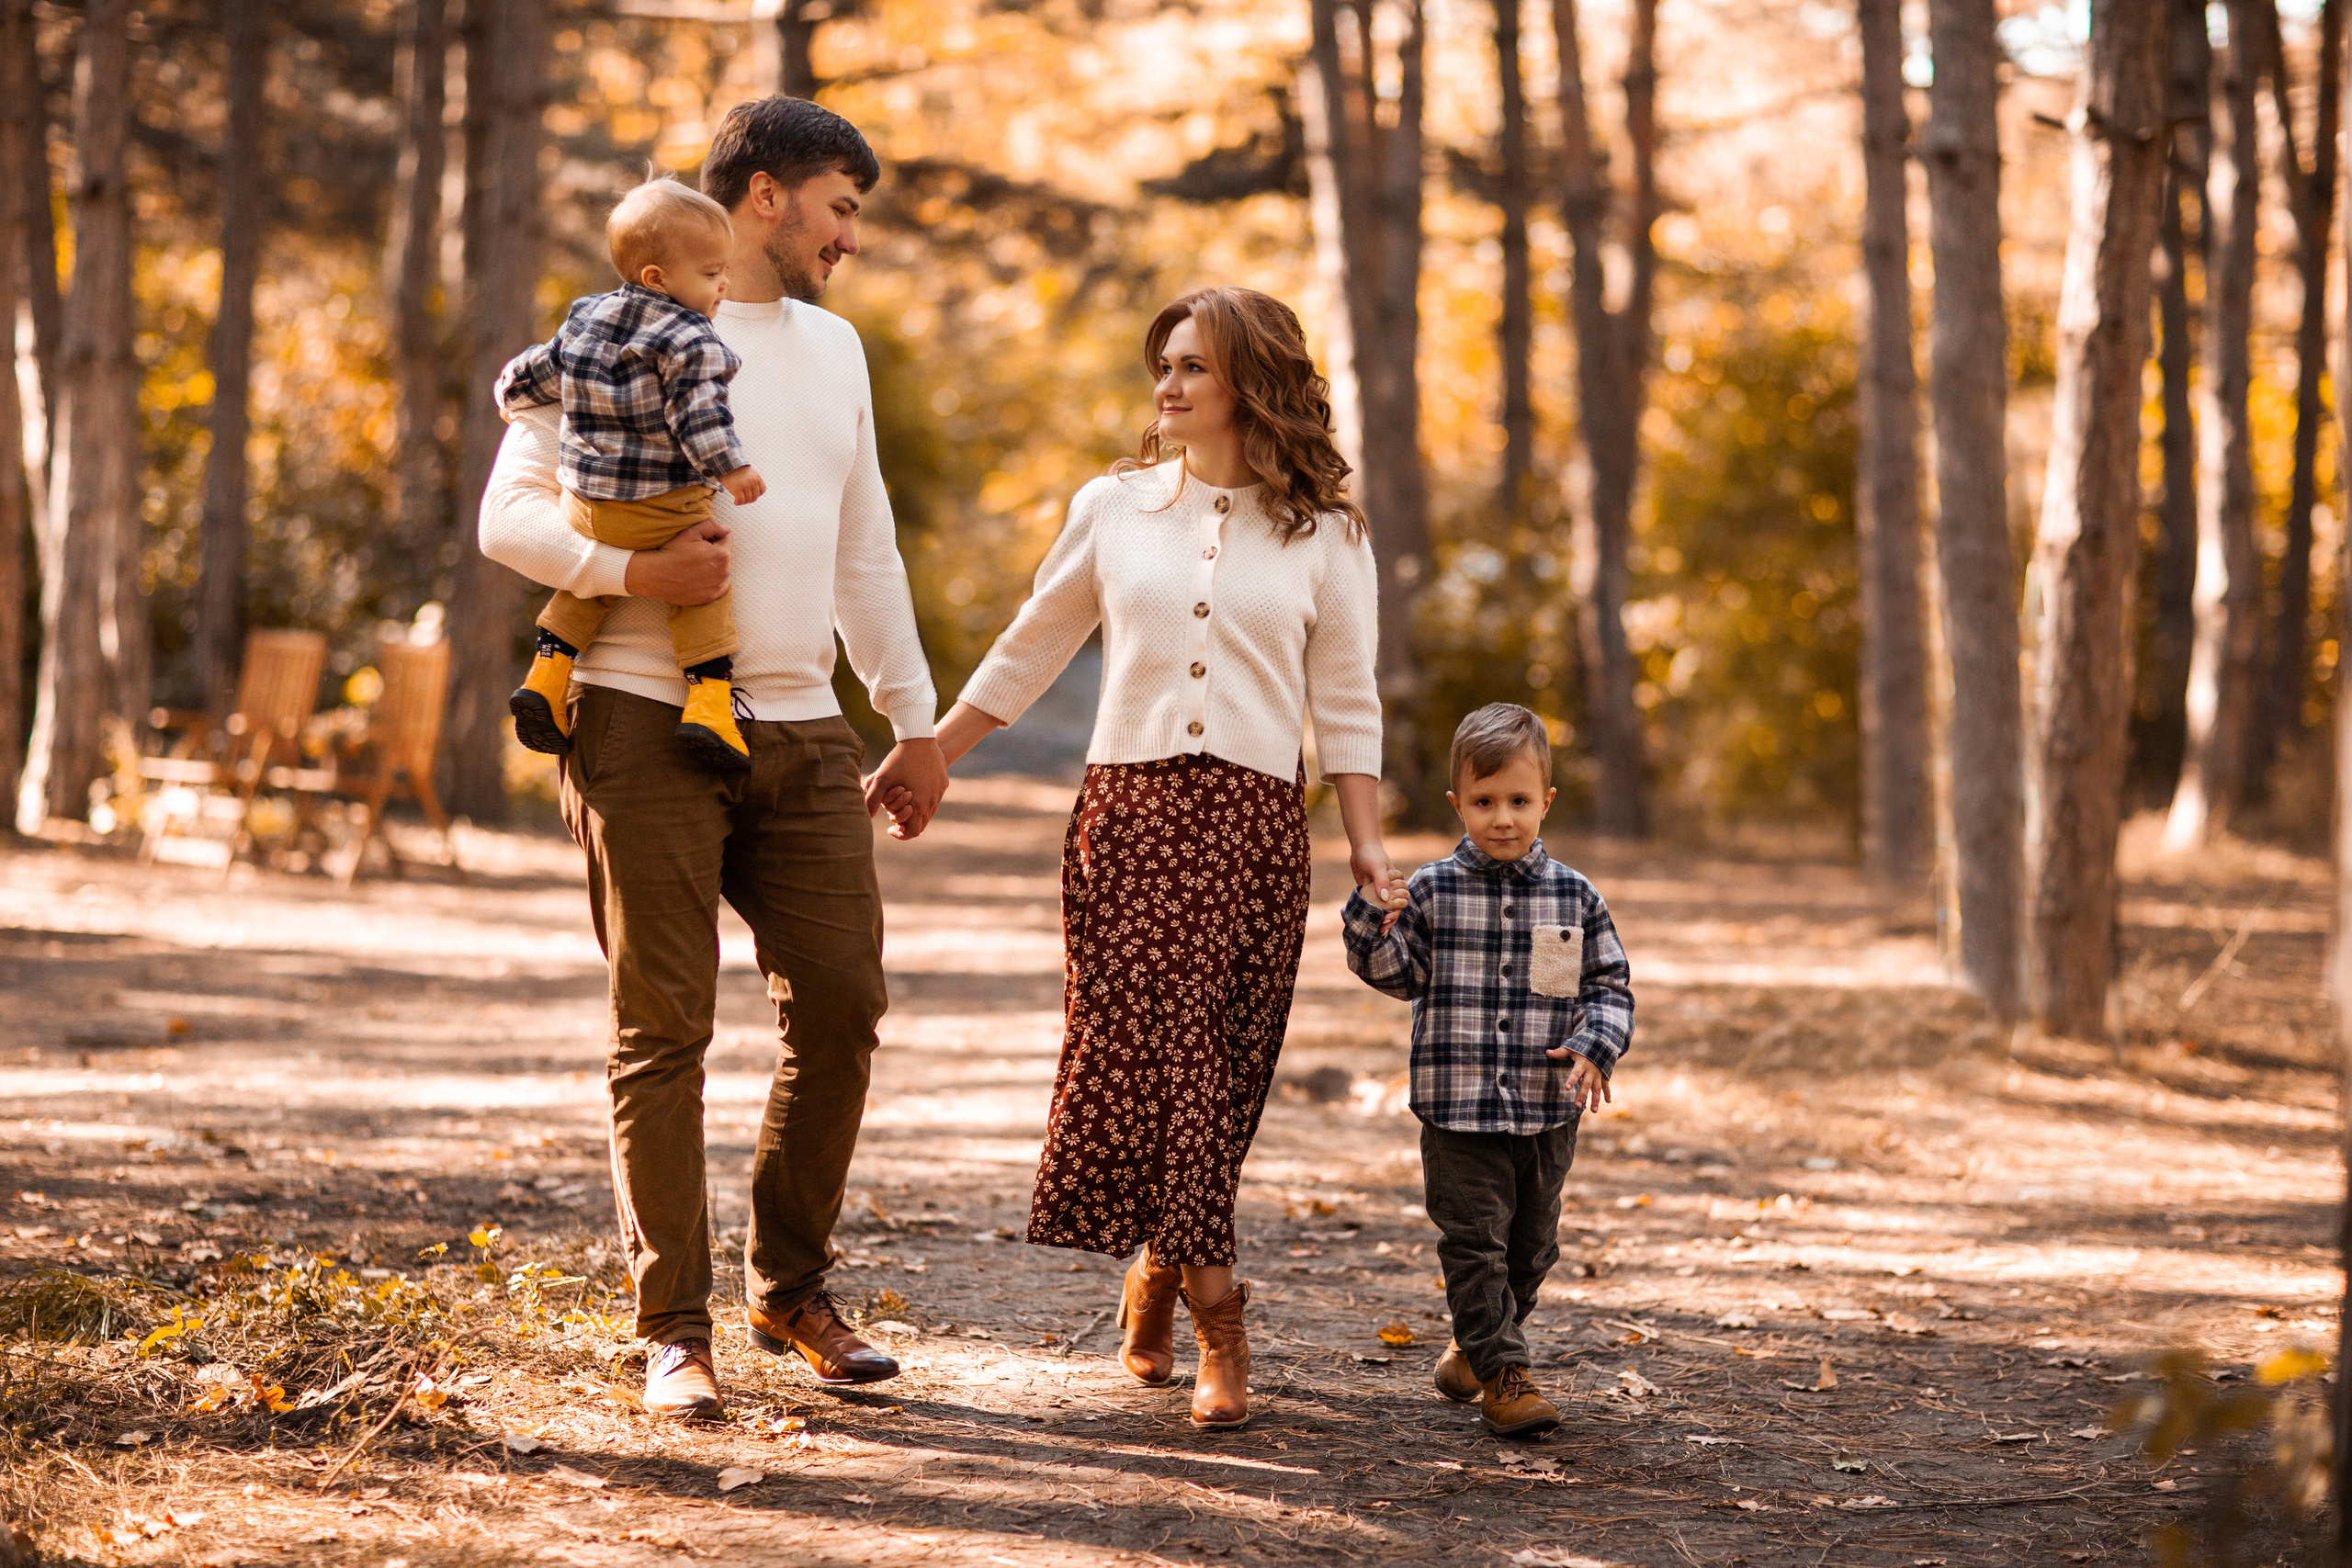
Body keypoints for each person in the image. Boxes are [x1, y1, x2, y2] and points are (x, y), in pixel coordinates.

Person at [476, 96, 948, 1420]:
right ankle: (673, 1329)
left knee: (844, 1004)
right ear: (764, 200)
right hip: (640, 718)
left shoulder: (837, 353)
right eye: (841, 208)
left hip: (803, 731)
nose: (851, 237)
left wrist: (911, 720)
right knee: (664, 1028)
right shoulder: (606, 330)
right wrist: (626, 567)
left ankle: (790, 1287)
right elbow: (505, 517)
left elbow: (868, 548)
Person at [920, 286, 1400, 1432]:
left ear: (1254, 384)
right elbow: (1035, 639)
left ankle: (1160, 1263)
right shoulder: (1115, 506)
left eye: (1194, 365)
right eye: (1163, 364)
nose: (1167, 385)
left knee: (1220, 1066)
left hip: (1251, 833)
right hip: (1128, 820)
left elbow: (1346, 701)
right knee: (1151, 1054)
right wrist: (933, 753)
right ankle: (1218, 1311)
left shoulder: (1325, 536)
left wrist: (1368, 850)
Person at [1340, 703, 1634, 1438]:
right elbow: (1394, 973)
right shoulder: (1434, 891)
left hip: (1546, 1104)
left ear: (1546, 801)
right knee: (1474, 1240)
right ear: (1457, 803)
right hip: (1458, 1107)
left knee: (1532, 1245)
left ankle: (1474, 1348)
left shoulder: (1574, 896)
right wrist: (1371, 915)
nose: (1502, 818)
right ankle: (1505, 1372)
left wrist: (1596, 1045)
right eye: (1483, 801)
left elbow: (1608, 987)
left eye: (1518, 800)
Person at [501, 174, 769, 773]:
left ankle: (547, 675)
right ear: (657, 278)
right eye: (709, 273)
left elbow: (541, 370)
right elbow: (699, 414)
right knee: (702, 581)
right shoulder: (692, 338)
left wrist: (510, 392)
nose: (723, 284)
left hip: (587, 504)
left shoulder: (586, 316)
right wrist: (734, 469)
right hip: (658, 507)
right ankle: (708, 702)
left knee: (586, 583)